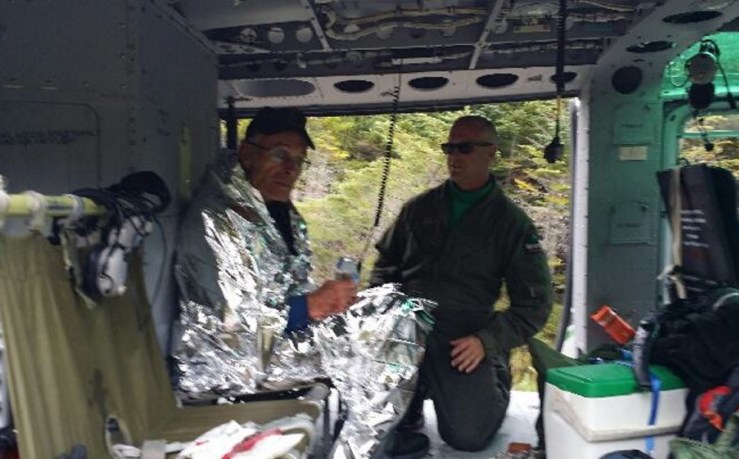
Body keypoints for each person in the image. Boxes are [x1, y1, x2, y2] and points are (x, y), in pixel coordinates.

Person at [369, 115, 554, 452]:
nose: (455, 156)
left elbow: (535, 305)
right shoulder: (419, 209)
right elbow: (386, 266)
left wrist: (488, 341)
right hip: (408, 329)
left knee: (468, 437)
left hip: (463, 336)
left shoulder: (511, 223)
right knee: (383, 423)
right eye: (449, 147)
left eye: (465, 148)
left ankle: (495, 373)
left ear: (491, 153)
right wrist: (384, 315)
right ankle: (414, 396)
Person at [173, 106, 357, 395]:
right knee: (374, 360)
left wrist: (327, 305)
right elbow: (232, 330)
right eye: (280, 155)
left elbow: (285, 290)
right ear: (247, 154)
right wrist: (309, 306)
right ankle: (353, 441)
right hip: (228, 369)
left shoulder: (280, 214)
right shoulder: (217, 223)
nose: (291, 169)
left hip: (277, 348)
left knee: (392, 330)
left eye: (299, 160)